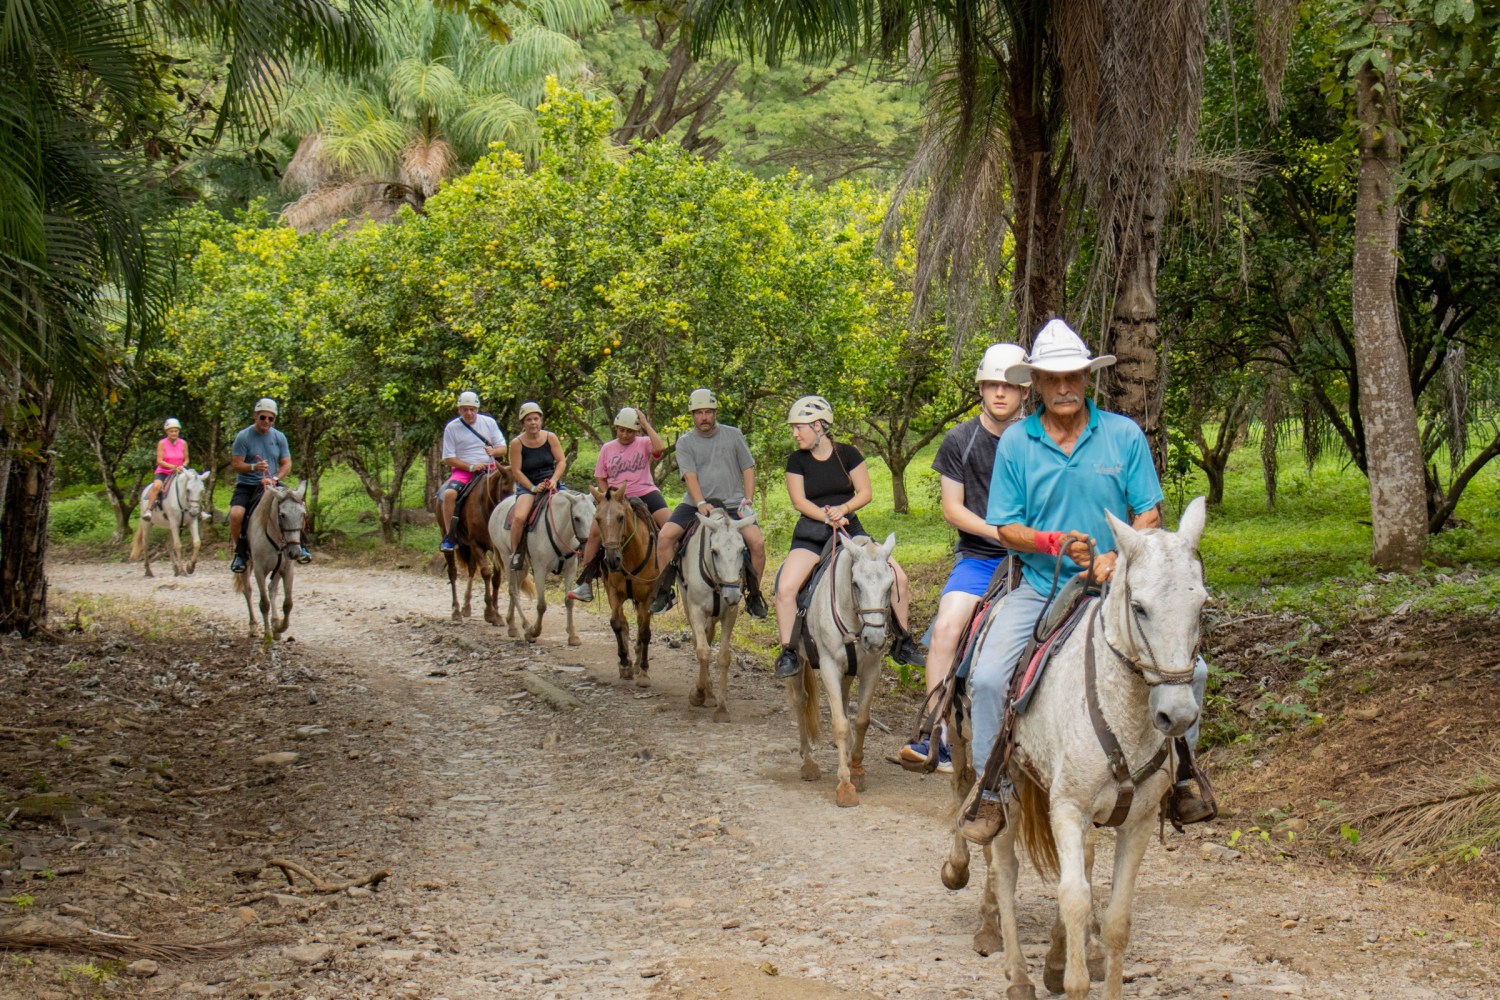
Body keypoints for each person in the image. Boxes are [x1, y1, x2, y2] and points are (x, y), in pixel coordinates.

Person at [959, 319, 1212, 845]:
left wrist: (1118, 561)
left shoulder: (1122, 434)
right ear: (1037, 384)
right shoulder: (1017, 444)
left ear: (1087, 377)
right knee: (986, 679)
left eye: (1073, 375)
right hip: (1040, 585)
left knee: (1196, 670)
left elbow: (1149, 511)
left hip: (1118, 589)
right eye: (1053, 378)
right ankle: (991, 789)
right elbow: (1005, 525)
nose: (1065, 386)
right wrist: (1053, 543)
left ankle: (1181, 775)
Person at [898, 343, 1030, 775]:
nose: (1000, 393)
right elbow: (952, 508)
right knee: (946, 629)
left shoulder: (1038, 438)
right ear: (980, 388)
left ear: (1025, 392)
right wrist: (1003, 534)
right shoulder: (960, 439)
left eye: (1009, 386)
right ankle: (936, 736)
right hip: (980, 556)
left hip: (1037, 558)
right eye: (992, 384)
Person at [772, 395, 925, 679]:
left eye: (799, 427)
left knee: (898, 577)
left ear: (818, 426)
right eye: (793, 428)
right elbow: (799, 501)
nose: (794, 434)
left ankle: (903, 640)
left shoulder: (849, 454)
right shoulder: (796, 460)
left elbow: (865, 492)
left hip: (850, 529)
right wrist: (828, 516)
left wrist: (844, 509)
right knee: (786, 588)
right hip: (812, 531)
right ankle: (789, 651)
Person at [650, 388, 768, 618]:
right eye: (698, 413)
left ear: (715, 413)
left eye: (708, 412)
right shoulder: (685, 442)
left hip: (733, 504)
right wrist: (700, 501)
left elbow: (748, 468)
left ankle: (753, 594)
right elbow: (690, 475)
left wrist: (749, 498)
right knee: (665, 537)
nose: (703, 417)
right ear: (692, 415)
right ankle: (667, 591)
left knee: (757, 543)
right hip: (695, 504)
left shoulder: (733, 435)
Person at [568, 408, 668, 602]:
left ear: (637, 432)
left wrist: (645, 423)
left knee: (671, 526)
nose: (624, 434)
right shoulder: (608, 448)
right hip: (615, 497)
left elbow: (659, 448)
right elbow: (600, 476)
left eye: (630, 431)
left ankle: (670, 576)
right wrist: (608, 497)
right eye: (621, 430)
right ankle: (585, 582)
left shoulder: (644, 443)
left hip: (645, 491)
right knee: (595, 533)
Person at [229, 398, 308, 573]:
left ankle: (301, 544)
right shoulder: (243, 436)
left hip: (273, 484)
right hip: (248, 484)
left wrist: (274, 478)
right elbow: (236, 464)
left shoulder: (279, 437)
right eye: (263, 417)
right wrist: (253, 467)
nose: (266, 421)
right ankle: (240, 552)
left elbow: (287, 464)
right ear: (256, 416)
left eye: (270, 419)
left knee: (298, 505)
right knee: (236, 514)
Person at [437, 391, 508, 552]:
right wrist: (470, 466)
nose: (469, 413)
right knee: (449, 494)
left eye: (472, 409)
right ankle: (450, 536)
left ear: (477, 409)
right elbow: (448, 458)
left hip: (490, 468)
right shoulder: (452, 428)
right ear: (459, 410)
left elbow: (503, 448)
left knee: (511, 487)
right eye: (465, 409)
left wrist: (494, 452)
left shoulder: (489, 422)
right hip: (464, 470)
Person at [507, 401, 568, 570]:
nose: (533, 423)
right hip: (529, 485)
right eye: (529, 420)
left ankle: (578, 549)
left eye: (536, 419)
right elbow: (517, 471)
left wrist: (554, 479)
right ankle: (516, 553)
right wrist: (533, 487)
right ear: (523, 423)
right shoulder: (516, 443)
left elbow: (561, 461)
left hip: (551, 481)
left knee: (576, 506)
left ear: (541, 421)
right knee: (519, 517)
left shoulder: (550, 437)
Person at [142, 418, 193, 522]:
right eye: (171, 431)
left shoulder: (183, 443)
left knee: (194, 484)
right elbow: (159, 460)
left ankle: (199, 510)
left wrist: (183, 465)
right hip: (164, 471)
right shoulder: (162, 443)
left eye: (176, 431)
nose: (174, 433)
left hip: (180, 471)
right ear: (167, 432)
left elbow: (187, 459)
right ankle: (149, 509)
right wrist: (173, 467)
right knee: (157, 486)